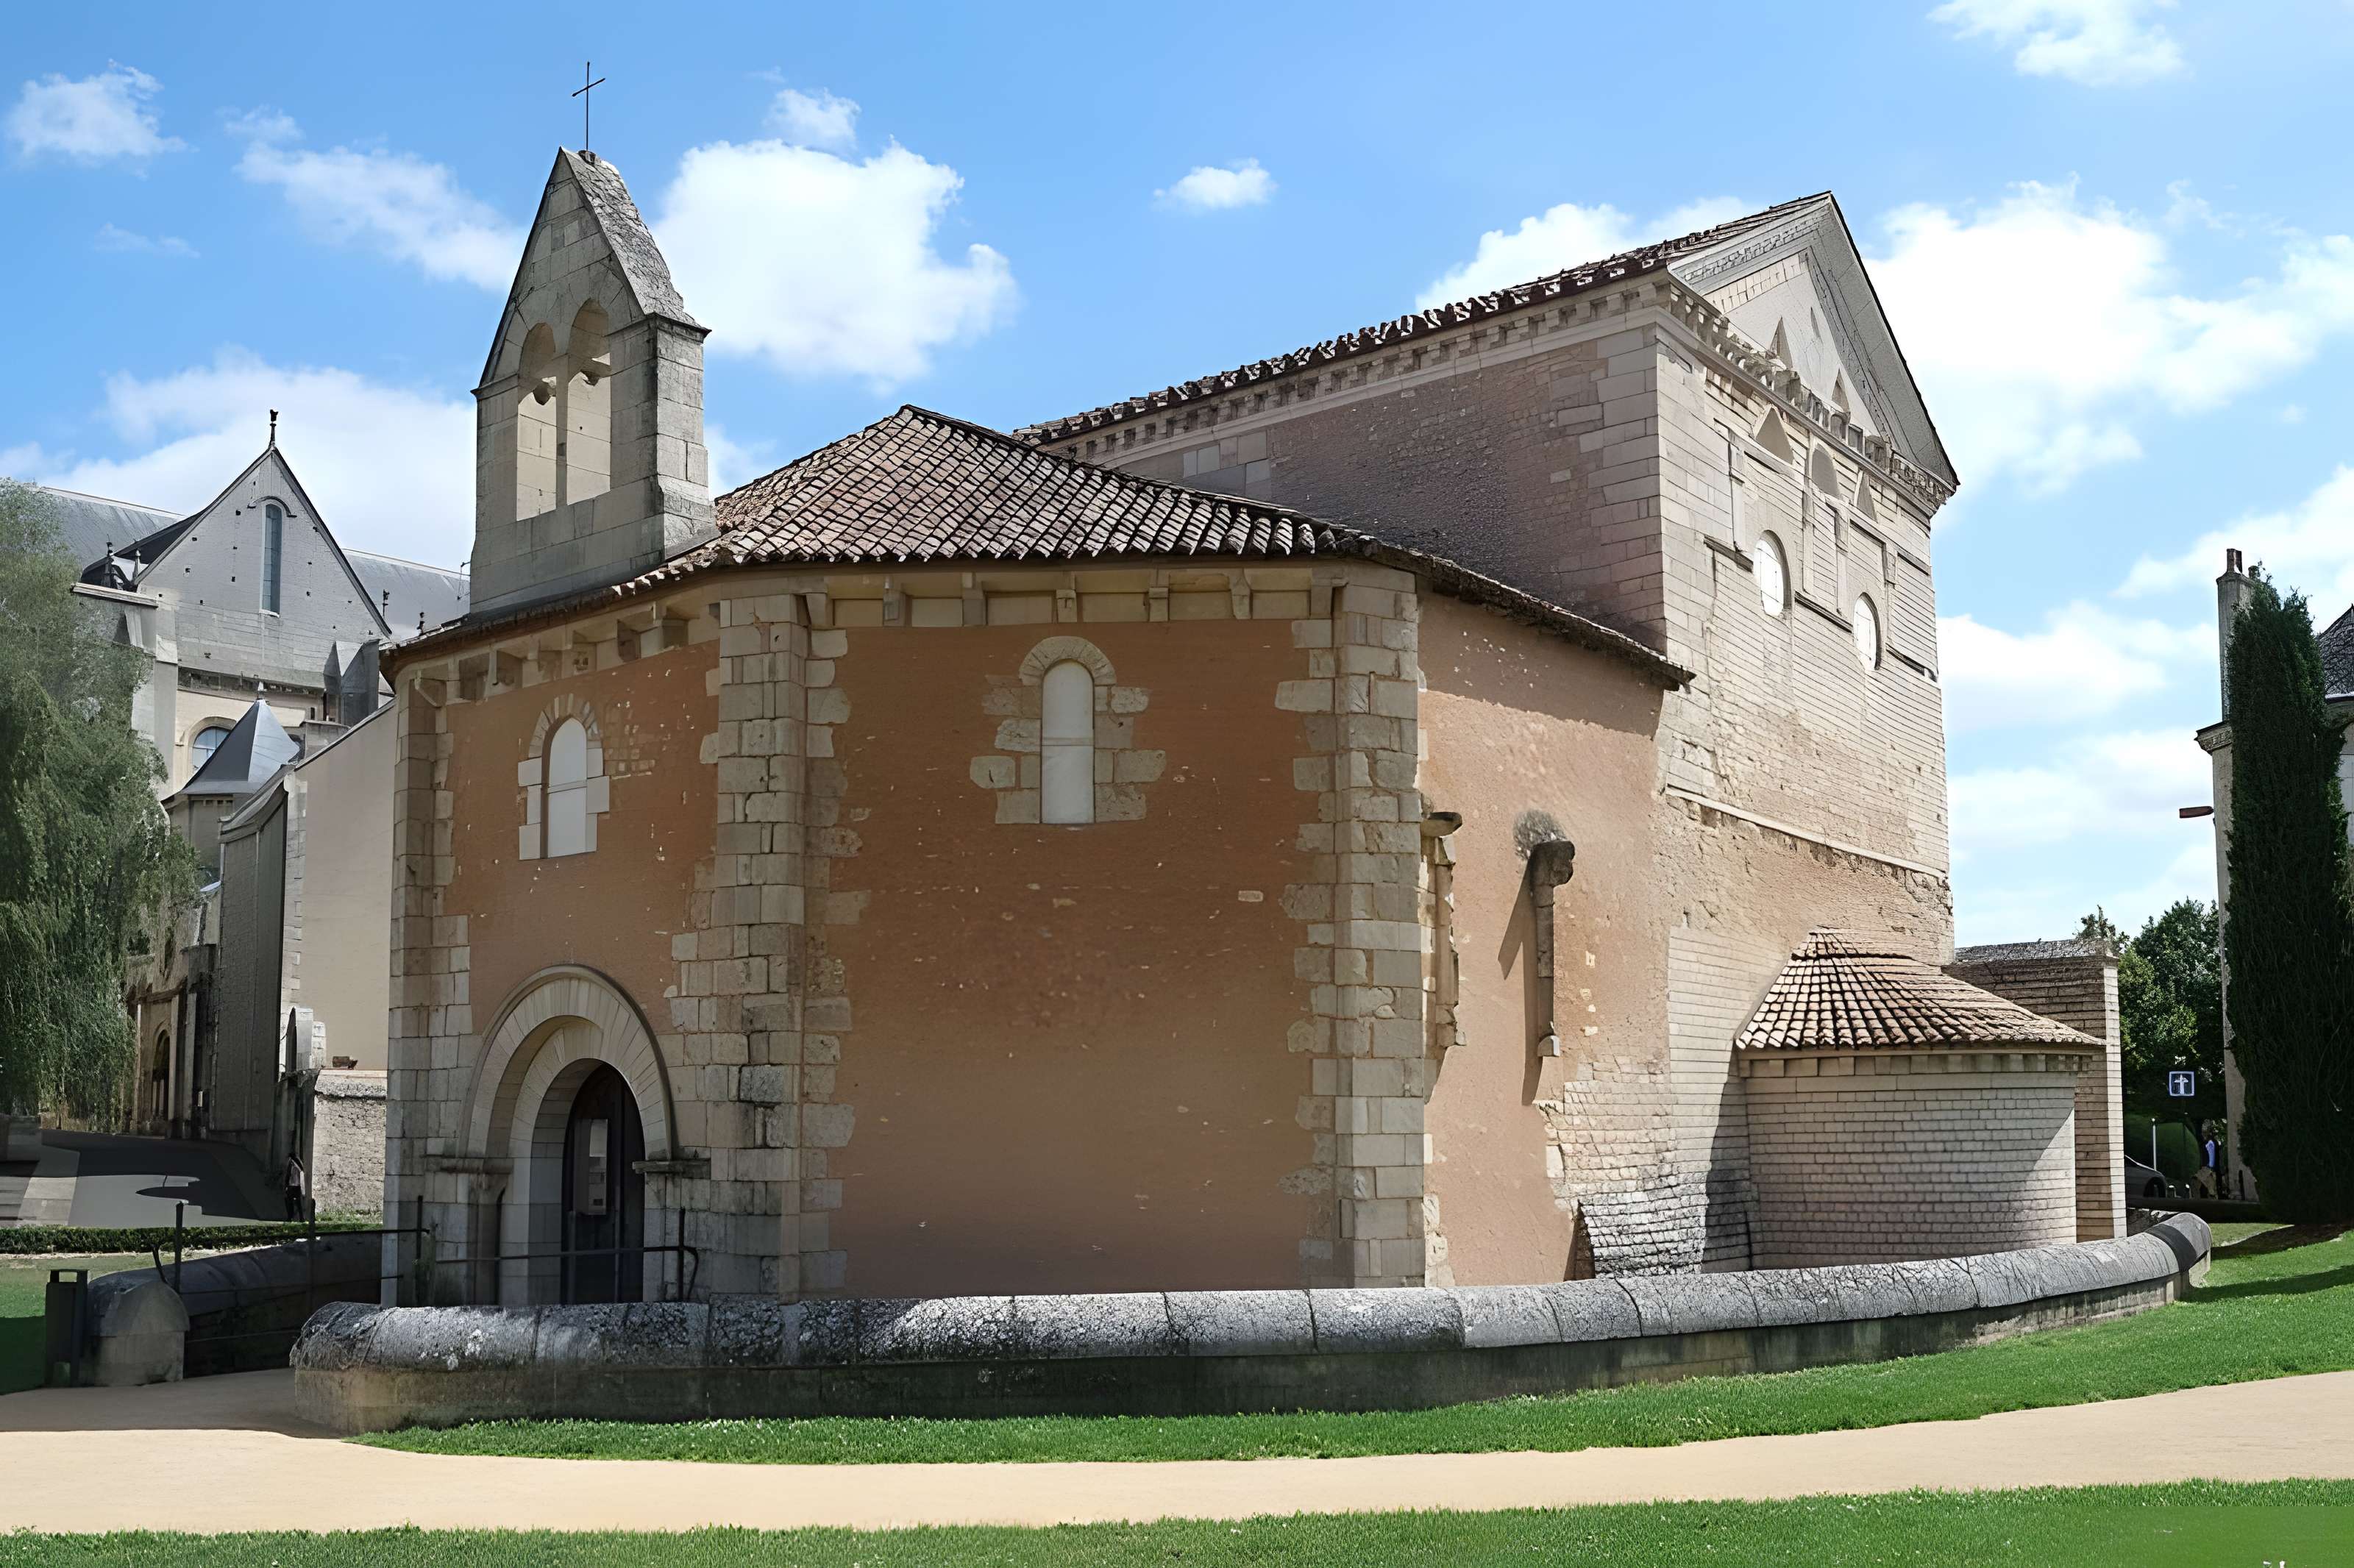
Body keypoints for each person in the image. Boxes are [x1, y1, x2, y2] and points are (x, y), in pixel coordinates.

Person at [282, 1152, 307, 1222]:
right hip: (291, 1186)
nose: (290, 1160)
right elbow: (288, 1175)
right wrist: (286, 1186)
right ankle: (290, 1218)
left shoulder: (299, 1166)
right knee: (290, 1203)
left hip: (297, 1187)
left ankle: (302, 1218)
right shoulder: (290, 1165)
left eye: (291, 1159)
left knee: (299, 1203)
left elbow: (302, 1175)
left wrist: (303, 1191)